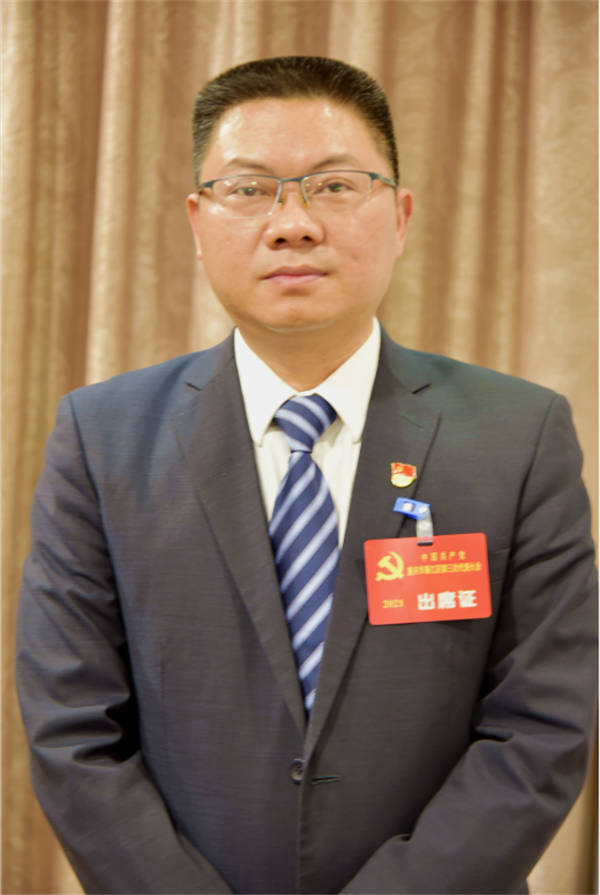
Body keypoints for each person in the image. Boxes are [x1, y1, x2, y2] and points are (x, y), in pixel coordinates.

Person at [16, 56, 596, 895]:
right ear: (197, 221)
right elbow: (74, 730)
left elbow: (541, 726)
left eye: (334, 185)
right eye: (249, 189)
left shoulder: (521, 436)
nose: (293, 225)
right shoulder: (101, 440)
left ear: (400, 216)